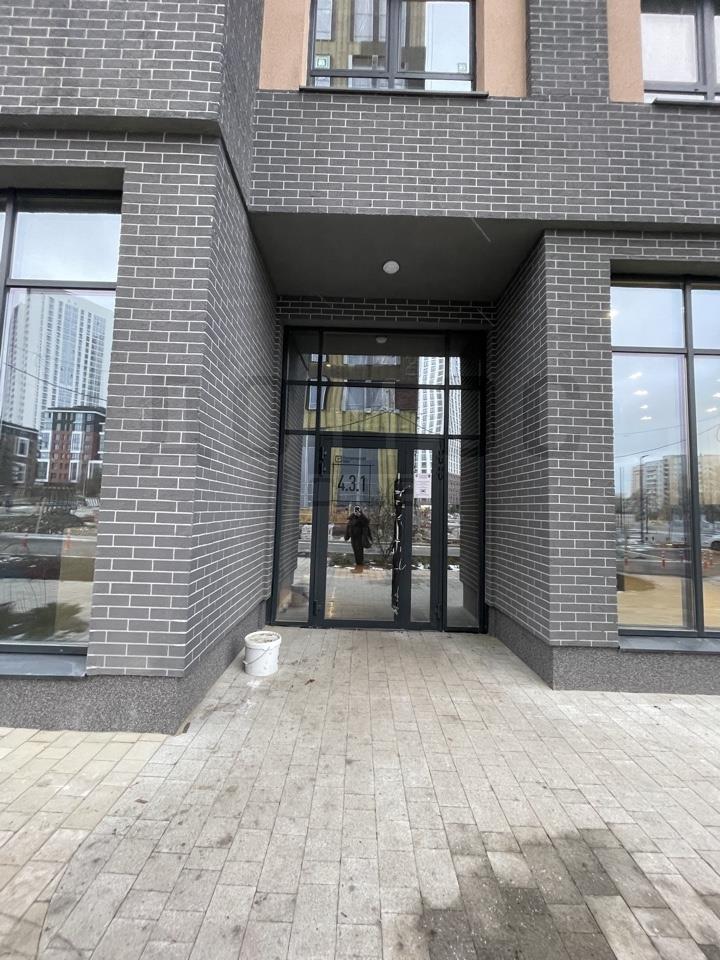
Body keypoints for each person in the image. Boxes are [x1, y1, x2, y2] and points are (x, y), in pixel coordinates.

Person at [345, 506, 372, 572]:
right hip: (353, 537)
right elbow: (348, 527)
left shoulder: (362, 517)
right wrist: (347, 536)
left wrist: (360, 516)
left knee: (359, 552)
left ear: (359, 510)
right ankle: (358, 565)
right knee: (355, 551)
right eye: (355, 510)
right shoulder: (352, 517)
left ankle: (359, 566)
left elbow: (366, 522)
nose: (356, 512)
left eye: (357, 510)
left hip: (359, 538)